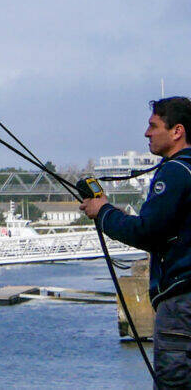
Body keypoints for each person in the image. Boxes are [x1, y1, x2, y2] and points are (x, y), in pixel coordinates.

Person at [83, 96, 191, 387]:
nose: (147, 133)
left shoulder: (174, 172)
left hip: (181, 302)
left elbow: (146, 232)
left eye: (153, 126)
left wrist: (102, 212)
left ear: (177, 131)